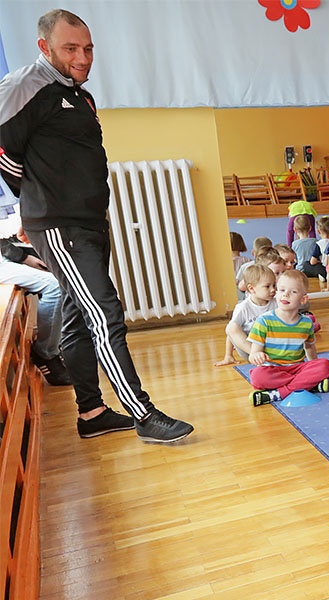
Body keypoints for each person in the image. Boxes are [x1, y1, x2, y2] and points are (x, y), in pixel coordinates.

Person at [0, 9, 192, 441]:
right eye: (71, 48)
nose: (83, 57)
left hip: (86, 222)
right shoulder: (26, 85)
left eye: (87, 49)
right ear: (44, 47)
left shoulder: (77, 95)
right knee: (104, 313)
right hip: (59, 225)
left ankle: (91, 413)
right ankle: (144, 414)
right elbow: (5, 149)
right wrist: (28, 201)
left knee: (75, 316)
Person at [247, 270, 329, 405]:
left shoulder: (306, 323)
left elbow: (310, 348)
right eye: (281, 290)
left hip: (297, 368)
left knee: (325, 366)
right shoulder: (263, 321)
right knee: (257, 377)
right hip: (273, 369)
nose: (285, 294)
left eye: (293, 292)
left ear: (303, 299)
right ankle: (307, 385)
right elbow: (253, 354)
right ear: (276, 293)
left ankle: (278, 393)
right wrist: (257, 356)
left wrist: (314, 366)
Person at [0, 233, 71, 385]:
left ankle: (57, 344)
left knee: (65, 271)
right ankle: (45, 352)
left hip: (4, 251)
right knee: (55, 287)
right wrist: (24, 258)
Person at [214, 264, 276, 367]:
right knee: (232, 326)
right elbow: (231, 333)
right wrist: (228, 355)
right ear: (251, 289)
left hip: (273, 346)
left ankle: (267, 358)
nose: (273, 289)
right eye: (267, 286)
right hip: (250, 350)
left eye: (274, 285)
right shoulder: (243, 308)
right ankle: (257, 356)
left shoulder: (276, 302)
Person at [291, 217, 326, 281]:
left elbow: (295, 259)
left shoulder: (294, 244)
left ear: (295, 229)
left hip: (300, 270)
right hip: (313, 268)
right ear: (310, 228)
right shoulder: (315, 241)